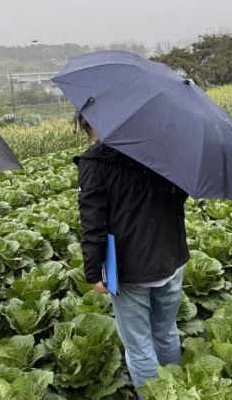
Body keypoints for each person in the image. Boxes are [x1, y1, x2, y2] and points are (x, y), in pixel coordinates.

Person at [72, 113, 189, 398]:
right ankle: (175, 391)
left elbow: (93, 223)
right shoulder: (162, 149)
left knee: (139, 346)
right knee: (166, 332)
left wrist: (93, 272)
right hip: (171, 256)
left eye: (88, 129)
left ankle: (151, 396)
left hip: (130, 269)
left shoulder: (96, 163)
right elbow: (180, 194)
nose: (91, 136)